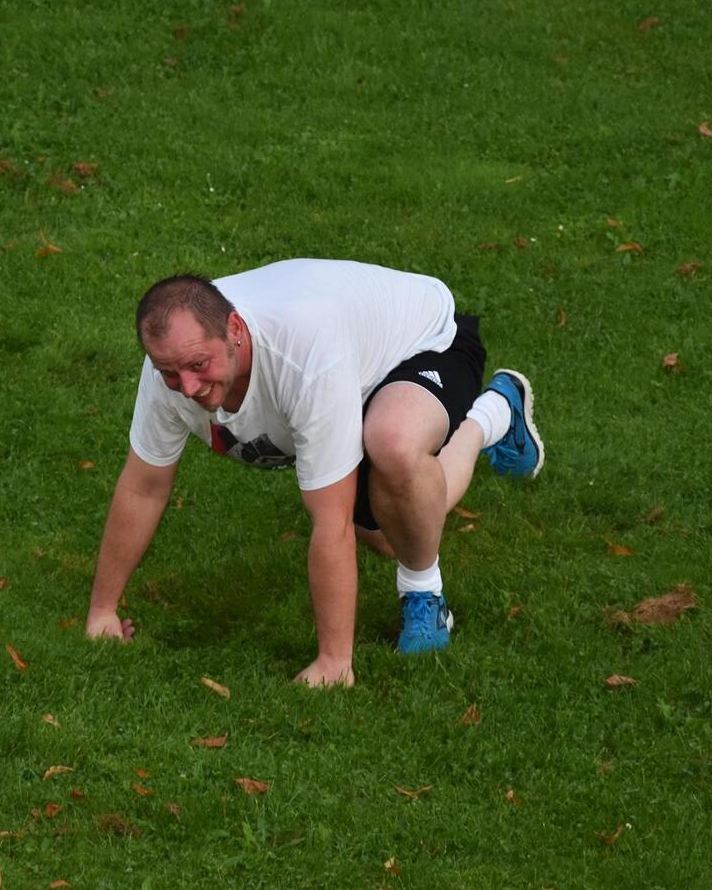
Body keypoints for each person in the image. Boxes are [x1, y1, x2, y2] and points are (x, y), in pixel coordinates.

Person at [84, 258, 543, 687]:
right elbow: (143, 487)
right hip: (351, 358)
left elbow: (331, 519)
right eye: (170, 372)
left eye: (198, 366)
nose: (187, 387)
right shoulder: (172, 362)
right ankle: (499, 410)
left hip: (424, 341)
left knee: (396, 453)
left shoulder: (302, 356)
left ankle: (427, 585)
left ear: (235, 330)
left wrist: (333, 661)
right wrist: (103, 610)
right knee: (390, 530)